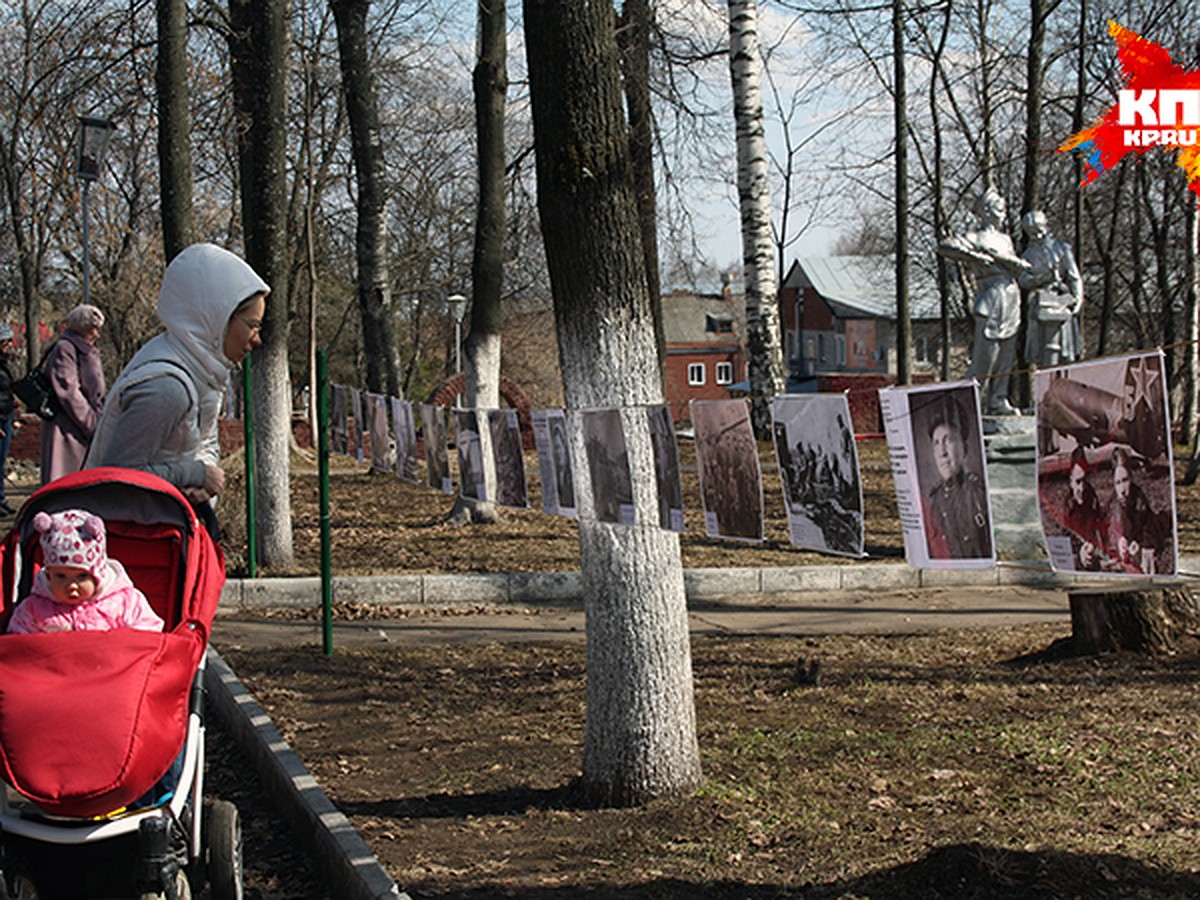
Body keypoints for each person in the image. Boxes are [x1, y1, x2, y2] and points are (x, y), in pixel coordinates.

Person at [85, 243, 268, 537]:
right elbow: (118, 478)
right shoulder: (166, 387)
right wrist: (195, 475)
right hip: (133, 548)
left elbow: (202, 443)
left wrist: (199, 485)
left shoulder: (201, 370)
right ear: (217, 317)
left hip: (161, 533)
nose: (256, 339)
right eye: (253, 325)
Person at [937, 189, 1030, 415]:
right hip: (990, 295)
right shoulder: (975, 237)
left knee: (1007, 355)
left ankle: (998, 398)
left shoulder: (1005, 239)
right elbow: (945, 246)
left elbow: (1019, 267)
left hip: (1010, 296)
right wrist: (975, 256)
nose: (1003, 214)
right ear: (986, 211)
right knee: (985, 357)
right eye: (999, 208)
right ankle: (969, 401)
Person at [6, 509, 163, 634]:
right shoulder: (34, 609)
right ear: (48, 575)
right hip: (54, 670)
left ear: (99, 575)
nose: (72, 585)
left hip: (113, 668)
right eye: (60, 576)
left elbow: (148, 630)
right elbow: (20, 645)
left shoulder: (125, 602)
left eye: (82, 576)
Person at [40, 304, 106, 485]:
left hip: (84, 426)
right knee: (65, 478)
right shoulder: (65, 348)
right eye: (94, 330)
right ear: (83, 327)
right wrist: (90, 422)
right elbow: (68, 389)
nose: (97, 335)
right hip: (68, 426)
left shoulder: (87, 349)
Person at [922, 393, 992, 559]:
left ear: (964, 447)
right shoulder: (935, 499)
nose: (942, 452)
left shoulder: (978, 492)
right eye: (936, 443)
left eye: (948, 440)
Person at [1019, 211, 1083, 368]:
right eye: (1031, 231)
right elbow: (1022, 279)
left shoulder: (1061, 248)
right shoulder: (1028, 254)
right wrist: (1040, 278)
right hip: (1039, 304)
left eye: (1038, 229)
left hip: (1060, 301)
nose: (1036, 234)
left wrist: (1078, 299)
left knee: (1065, 353)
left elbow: (1074, 276)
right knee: (1042, 353)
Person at [1106, 448, 1163, 574]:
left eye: (1125, 480)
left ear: (1131, 478)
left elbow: (1149, 523)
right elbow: (1107, 527)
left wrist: (1142, 544)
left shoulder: (1139, 499)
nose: (1122, 490)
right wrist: (1119, 539)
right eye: (1118, 483)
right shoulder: (1112, 503)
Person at [1062, 447, 1106, 570]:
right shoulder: (1069, 506)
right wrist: (1081, 550)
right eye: (1077, 482)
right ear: (1070, 481)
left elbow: (1098, 523)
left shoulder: (1091, 496)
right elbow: (1068, 539)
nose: (1081, 488)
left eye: (1084, 481)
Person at [0, 324, 20, 516]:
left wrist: (13, 416)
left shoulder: (5, 363)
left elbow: (7, 392)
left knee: (1, 460)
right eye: (4, 341)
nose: (8, 344)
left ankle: (1, 499)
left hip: (5, 415)